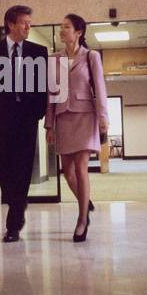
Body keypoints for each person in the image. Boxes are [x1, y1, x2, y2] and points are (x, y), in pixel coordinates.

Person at [0, 5, 48, 242]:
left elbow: (41, 88)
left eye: (29, 22)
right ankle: (19, 200)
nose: (28, 27)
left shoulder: (38, 52)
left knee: (23, 169)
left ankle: (13, 225)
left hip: (26, 120)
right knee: (1, 169)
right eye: (23, 23)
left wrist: (38, 114)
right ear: (10, 24)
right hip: (0, 119)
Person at [45, 14, 109, 242]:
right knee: (68, 171)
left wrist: (103, 118)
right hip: (63, 118)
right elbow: (51, 95)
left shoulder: (91, 56)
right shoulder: (54, 59)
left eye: (66, 27)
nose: (61, 30)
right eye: (60, 27)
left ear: (78, 32)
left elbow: (100, 88)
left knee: (81, 168)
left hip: (85, 116)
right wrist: (49, 125)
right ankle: (85, 201)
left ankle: (82, 220)